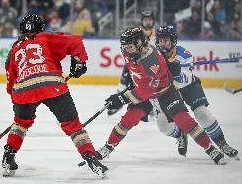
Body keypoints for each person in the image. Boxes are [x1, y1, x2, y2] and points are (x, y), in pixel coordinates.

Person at [96, 27, 226, 165]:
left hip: (164, 92)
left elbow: (146, 90)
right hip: (145, 91)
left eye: (129, 47)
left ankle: (209, 147)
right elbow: (138, 76)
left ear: (139, 44)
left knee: (183, 120)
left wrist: (122, 98)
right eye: (125, 47)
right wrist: (130, 83)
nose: (126, 50)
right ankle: (108, 147)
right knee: (128, 119)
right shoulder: (132, 52)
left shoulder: (150, 59)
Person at [3, 14, 108, 177]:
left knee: (20, 123)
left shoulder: (14, 50)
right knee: (73, 125)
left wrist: (20, 102)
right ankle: (90, 157)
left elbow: (11, 82)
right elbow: (75, 41)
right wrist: (80, 62)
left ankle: (8, 155)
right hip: (52, 85)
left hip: (22, 91)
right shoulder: (45, 37)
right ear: (41, 28)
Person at [154, 25, 239, 160]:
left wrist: (176, 72)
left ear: (173, 41)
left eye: (165, 40)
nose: (162, 43)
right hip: (168, 91)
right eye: (160, 40)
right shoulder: (154, 56)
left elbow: (186, 77)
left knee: (202, 113)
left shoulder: (184, 54)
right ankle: (180, 133)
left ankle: (222, 143)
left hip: (188, 86)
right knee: (162, 124)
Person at [107, 10, 157, 117]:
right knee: (125, 79)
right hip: (134, 63)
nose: (148, 22)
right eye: (145, 20)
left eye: (150, 20)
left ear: (153, 21)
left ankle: (152, 104)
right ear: (141, 21)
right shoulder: (136, 34)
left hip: (149, 67)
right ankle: (119, 100)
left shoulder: (158, 38)